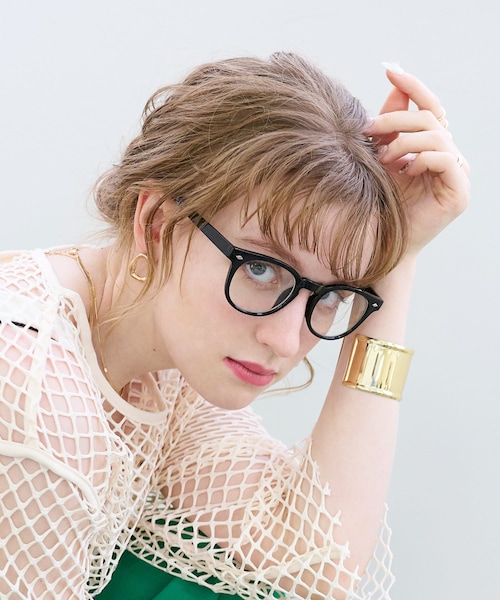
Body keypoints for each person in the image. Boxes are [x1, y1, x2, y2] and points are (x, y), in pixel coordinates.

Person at [0, 52, 469, 600]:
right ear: (158, 222)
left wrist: (400, 256)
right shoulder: (34, 378)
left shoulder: (162, 371)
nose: (286, 340)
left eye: (332, 295)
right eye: (260, 269)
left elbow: (316, 562)